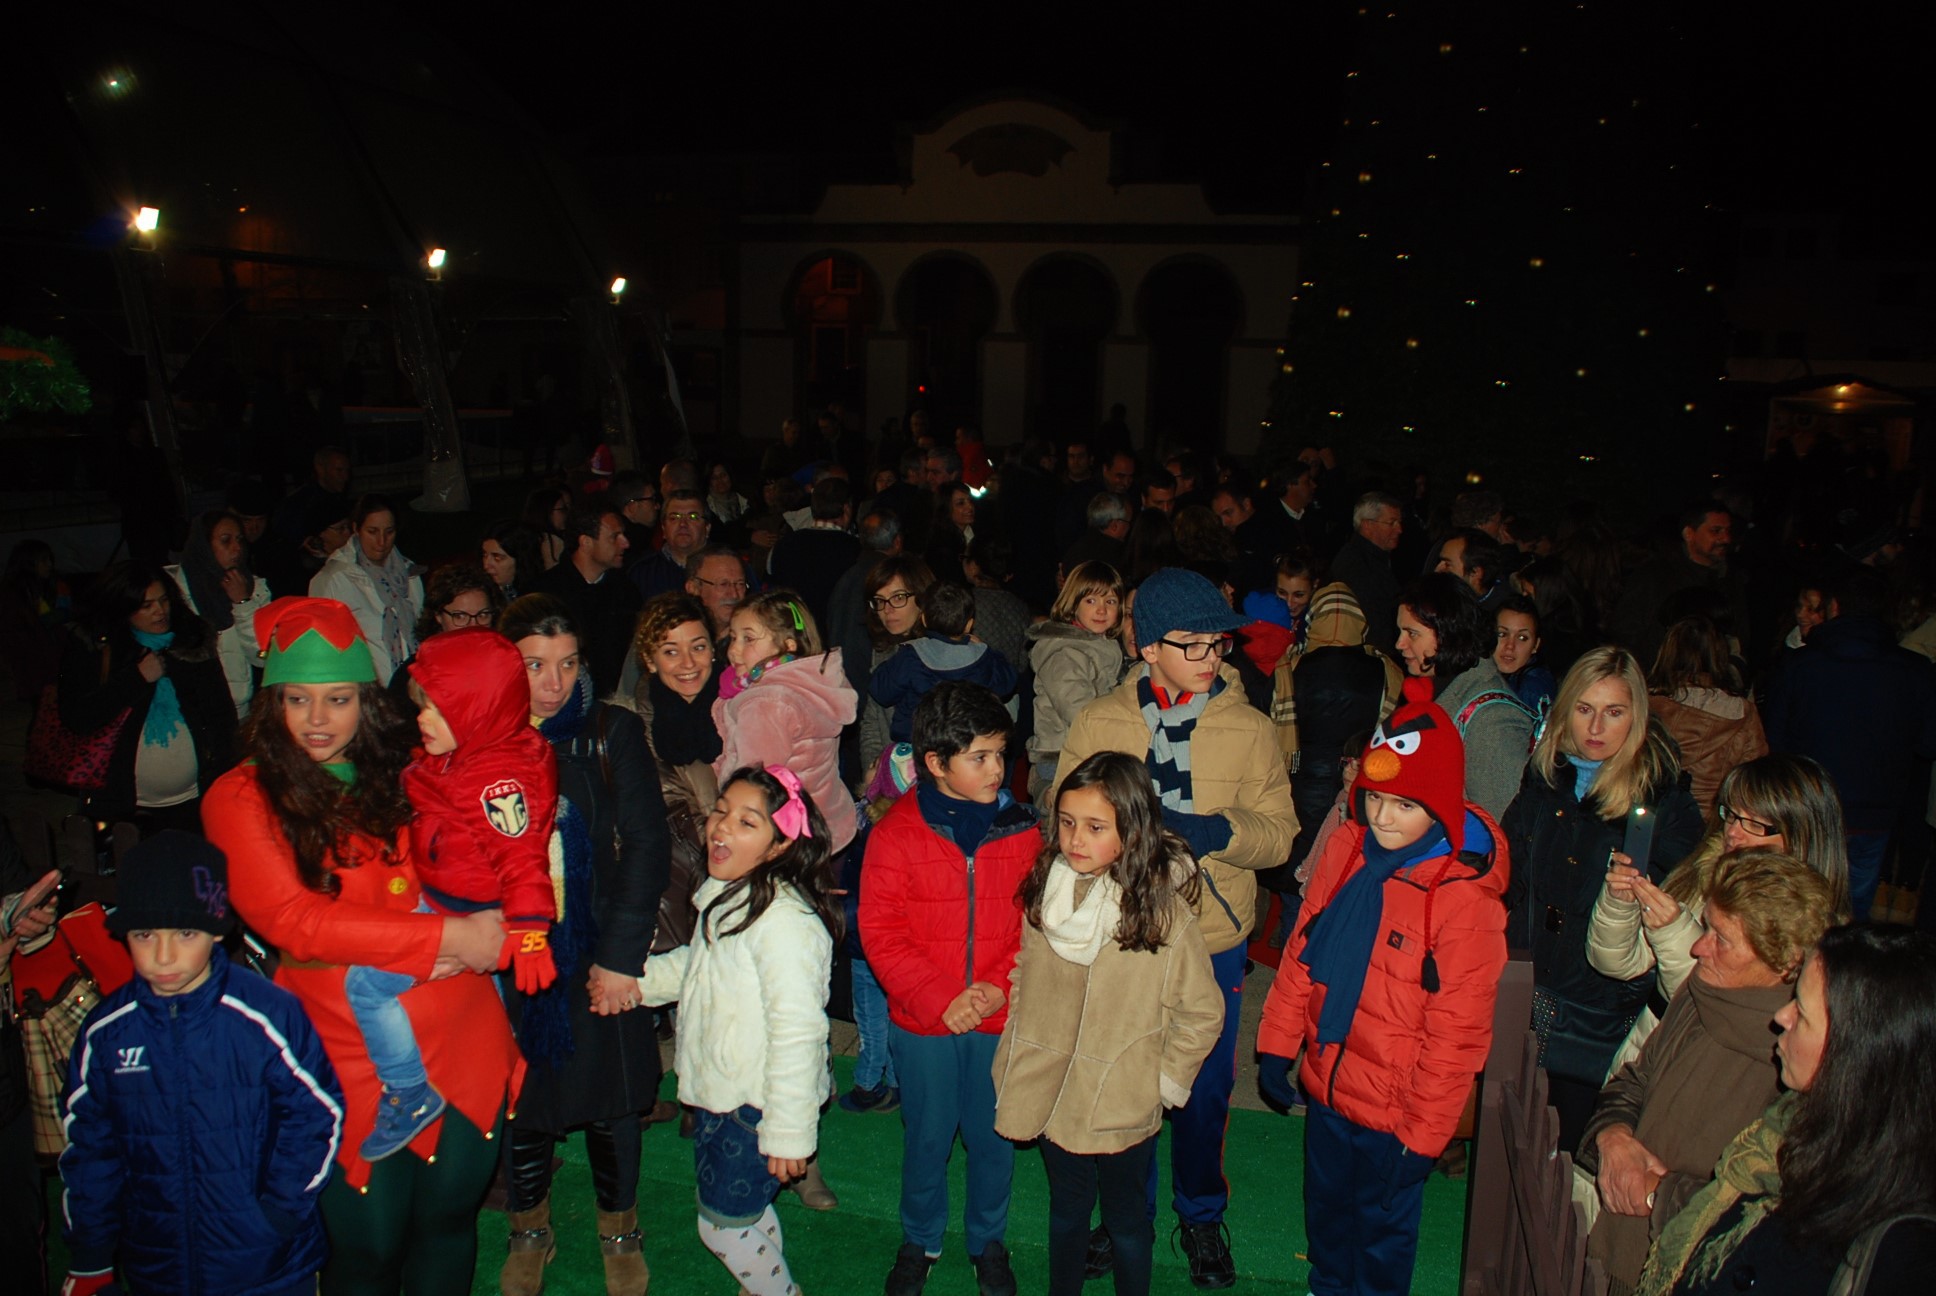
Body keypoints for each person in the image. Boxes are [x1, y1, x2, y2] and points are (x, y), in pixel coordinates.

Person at [202, 596, 521, 1292]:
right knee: (367, 1250)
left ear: (367, 700)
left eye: (339, 698)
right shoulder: (242, 796)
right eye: (297, 699)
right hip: (343, 1048)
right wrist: (451, 934)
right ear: (270, 702)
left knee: (446, 1225)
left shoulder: (414, 769)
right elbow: (294, 921)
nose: (318, 720)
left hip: (463, 1031)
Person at [1052, 567, 1298, 1289]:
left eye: (1219, 645)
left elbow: (1280, 836)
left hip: (1212, 940)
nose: (1212, 658)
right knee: (1120, 1086)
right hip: (1120, 938)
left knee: (1205, 1091)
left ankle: (1200, 1214)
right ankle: (1124, 1216)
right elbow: (1062, 818)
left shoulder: (1249, 729)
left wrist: (1215, 829)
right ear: (1148, 646)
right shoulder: (1101, 721)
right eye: (1193, 645)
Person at [1256, 677, 1509, 1296]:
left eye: (1404, 806)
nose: (1382, 819)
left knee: (1381, 1235)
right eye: (1374, 799)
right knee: (1326, 1214)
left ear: (1440, 807)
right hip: (1329, 1079)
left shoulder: (1461, 900)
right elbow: (1302, 955)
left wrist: (1424, 1136)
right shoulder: (1346, 848)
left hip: (1395, 1110)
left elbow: (1458, 1035)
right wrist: (1276, 1043)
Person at [58, 832, 344, 1296]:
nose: (164, 956)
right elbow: (90, 1148)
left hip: (270, 1266)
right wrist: (91, 1254)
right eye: (145, 934)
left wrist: (278, 1215)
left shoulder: (267, 1015)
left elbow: (317, 1115)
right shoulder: (107, 1032)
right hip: (156, 1264)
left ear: (216, 930)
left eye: (185, 933)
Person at [994, 753, 1225, 1296]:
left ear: (1133, 828)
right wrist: (1015, 1045)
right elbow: (1023, 975)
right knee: (1067, 1210)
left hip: (1122, 1092)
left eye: (1096, 827)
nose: (1076, 839)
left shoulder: (1164, 913)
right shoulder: (1046, 890)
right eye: (1067, 822)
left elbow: (1202, 1011)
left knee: (1125, 1221)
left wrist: (1161, 1081)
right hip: (1049, 1086)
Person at [498, 595, 670, 1296]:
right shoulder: (482, 740)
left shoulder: (610, 731)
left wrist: (621, 957)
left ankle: (619, 1227)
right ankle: (529, 1225)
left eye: (567, 664)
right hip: (516, 951)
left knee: (612, 1098)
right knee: (523, 1097)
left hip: (598, 943)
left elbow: (648, 845)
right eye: (534, 665)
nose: (553, 682)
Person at [342, 627, 559, 1163]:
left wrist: (530, 931)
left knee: (366, 986)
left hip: (465, 911)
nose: (423, 720)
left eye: (438, 711)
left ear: (476, 712)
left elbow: (522, 855)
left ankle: (408, 1091)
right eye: (423, 708)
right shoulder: (470, 755)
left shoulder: (496, 780)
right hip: (449, 898)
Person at [1574, 851, 1835, 1292]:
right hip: (1612, 1247)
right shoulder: (1700, 992)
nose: (1698, 947)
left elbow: (1768, 1217)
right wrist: (1613, 1139)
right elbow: (1631, 1082)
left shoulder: (1800, 1065)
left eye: (1721, 938)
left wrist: (1655, 1189)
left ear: (1785, 962)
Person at [1634, 924, 1936, 1295]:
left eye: (1803, 1014)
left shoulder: (1896, 1245)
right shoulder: (1785, 1133)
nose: (1781, 1017)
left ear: (1855, 1056)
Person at [862, 683, 1041, 1296]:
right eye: (980, 757)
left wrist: (996, 988)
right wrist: (942, 998)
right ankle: (920, 1237)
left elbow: (1038, 924)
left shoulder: (1022, 829)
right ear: (935, 762)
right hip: (924, 1022)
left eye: (1001, 754)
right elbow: (881, 932)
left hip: (997, 1016)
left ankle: (988, 1238)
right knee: (928, 1136)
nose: (997, 769)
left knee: (995, 1137)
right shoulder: (895, 835)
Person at [634, 765, 839, 1296]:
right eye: (721, 811)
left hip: (757, 1105)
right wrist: (635, 984)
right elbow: (695, 967)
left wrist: (789, 1132)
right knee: (742, 1211)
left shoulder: (785, 924)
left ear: (777, 846)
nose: (721, 827)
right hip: (722, 1092)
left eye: (747, 822)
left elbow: (799, 1033)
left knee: (721, 1227)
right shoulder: (731, 895)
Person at [1503, 646, 1705, 1152]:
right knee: (1507, 1130)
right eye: (1584, 709)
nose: (1596, 727)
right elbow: (1511, 872)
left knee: (1566, 1149)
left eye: (1614, 712)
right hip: (1525, 977)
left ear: (1636, 718)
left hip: (1598, 1000)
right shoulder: (1546, 774)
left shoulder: (1665, 804)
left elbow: (1670, 917)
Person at [1588, 754, 1851, 1072]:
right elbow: (1615, 963)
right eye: (1732, 815)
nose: (1734, 834)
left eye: (1755, 824)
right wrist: (1620, 903)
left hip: (1705, 1069)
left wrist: (1672, 930)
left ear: (1802, 837)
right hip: (1644, 1056)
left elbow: (1718, 1007)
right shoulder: (1706, 874)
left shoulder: (1808, 927)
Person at [1764, 565, 1936, 920]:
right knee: (1850, 912)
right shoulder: (1916, 670)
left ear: (1835, 607)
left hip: (1809, 805)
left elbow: (1774, 736)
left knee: (1798, 908)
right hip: (1874, 812)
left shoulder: (1801, 665)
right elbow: (1927, 741)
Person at [1266, 582, 1404, 948]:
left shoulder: (1292, 665)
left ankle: (1291, 941)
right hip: (1360, 784)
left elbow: (1272, 729)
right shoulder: (1385, 670)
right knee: (1343, 866)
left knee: (1301, 868)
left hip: (1301, 783)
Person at [57, 561, 236, 833]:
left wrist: (222, 777)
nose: (160, 612)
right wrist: (136, 678)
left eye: (164, 600)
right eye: (146, 605)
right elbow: (78, 718)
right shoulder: (99, 649)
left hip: (196, 800)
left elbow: (221, 715)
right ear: (123, 608)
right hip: (123, 807)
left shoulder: (191, 642)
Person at [714, 589, 860, 854]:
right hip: (826, 827)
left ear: (788, 645)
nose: (733, 649)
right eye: (733, 637)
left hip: (785, 842)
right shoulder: (815, 683)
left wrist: (717, 772)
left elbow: (753, 786)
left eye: (749, 639)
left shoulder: (766, 703)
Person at [1395, 573, 1537, 820]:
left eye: (1412, 633)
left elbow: (1503, 827)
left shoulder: (1492, 720)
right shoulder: (1428, 692)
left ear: (1448, 633)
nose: (1399, 643)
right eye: (1400, 631)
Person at [870, 582, 1018, 764]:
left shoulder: (910, 656)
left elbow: (881, 692)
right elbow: (1008, 682)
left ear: (923, 619)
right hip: (965, 752)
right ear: (969, 625)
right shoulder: (983, 659)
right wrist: (984, 648)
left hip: (915, 753)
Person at [1647, 614, 1768, 818]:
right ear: (1718, 655)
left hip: (1651, 818)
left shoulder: (1644, 705)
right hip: (1712, 823)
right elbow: (1755, 779)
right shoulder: (1742, 712)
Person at [1026, 562, 1128, 803]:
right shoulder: (1064, 652)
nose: (1101, 610)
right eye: (1091, 601)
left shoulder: (1101, 645)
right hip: (1061, 755)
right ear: (1072, 604)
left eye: (1110, 602)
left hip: (1087, 751)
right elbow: (1078, 709)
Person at [309, 493, 424, 685]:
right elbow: (324, 647)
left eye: (389, 532)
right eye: (372, 531)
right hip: (367, 690)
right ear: (356, 529)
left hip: (412, 685)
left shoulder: (409, 573)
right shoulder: (333, 579)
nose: (381, 541)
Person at [530, 500, 644, 694]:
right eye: (614, 537)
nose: (625, 543)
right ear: (586, 542)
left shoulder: (626, 591)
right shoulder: (545, 595)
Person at [166, 508, 271, 716]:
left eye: (239, 540)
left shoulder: (253, 586)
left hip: (240, 706)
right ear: (204, 545)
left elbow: (263, 655)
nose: (236, 548)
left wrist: (243, 603)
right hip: (190, 709)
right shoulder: (173, 591)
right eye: (225, 540)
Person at [856, 555, 936, 789]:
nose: (887, 610)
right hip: (892, 783)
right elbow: (871, 723)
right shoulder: (883, 651)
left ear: (922, 598)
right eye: (880, 601)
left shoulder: (942, 653)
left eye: (898, 597)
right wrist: (876, 774)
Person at [1328, 492, 1405, 663]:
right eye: (1391, 523)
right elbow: (1373, 621)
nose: (1399, 529)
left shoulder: (1379, 558)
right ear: (1367, 525)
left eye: (1399, 522)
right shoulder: (1355, 564)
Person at [1492, 595, 1558, 716]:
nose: (1510, 645)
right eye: (1502, 634)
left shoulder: (1531, 691)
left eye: (1522, 638)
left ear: (1535, 645)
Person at [481, 520, 547, 602]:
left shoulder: (537, 598)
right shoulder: (482, 592)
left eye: (497, 558)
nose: (486, 565)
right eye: (484, 555)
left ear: (520, 561)